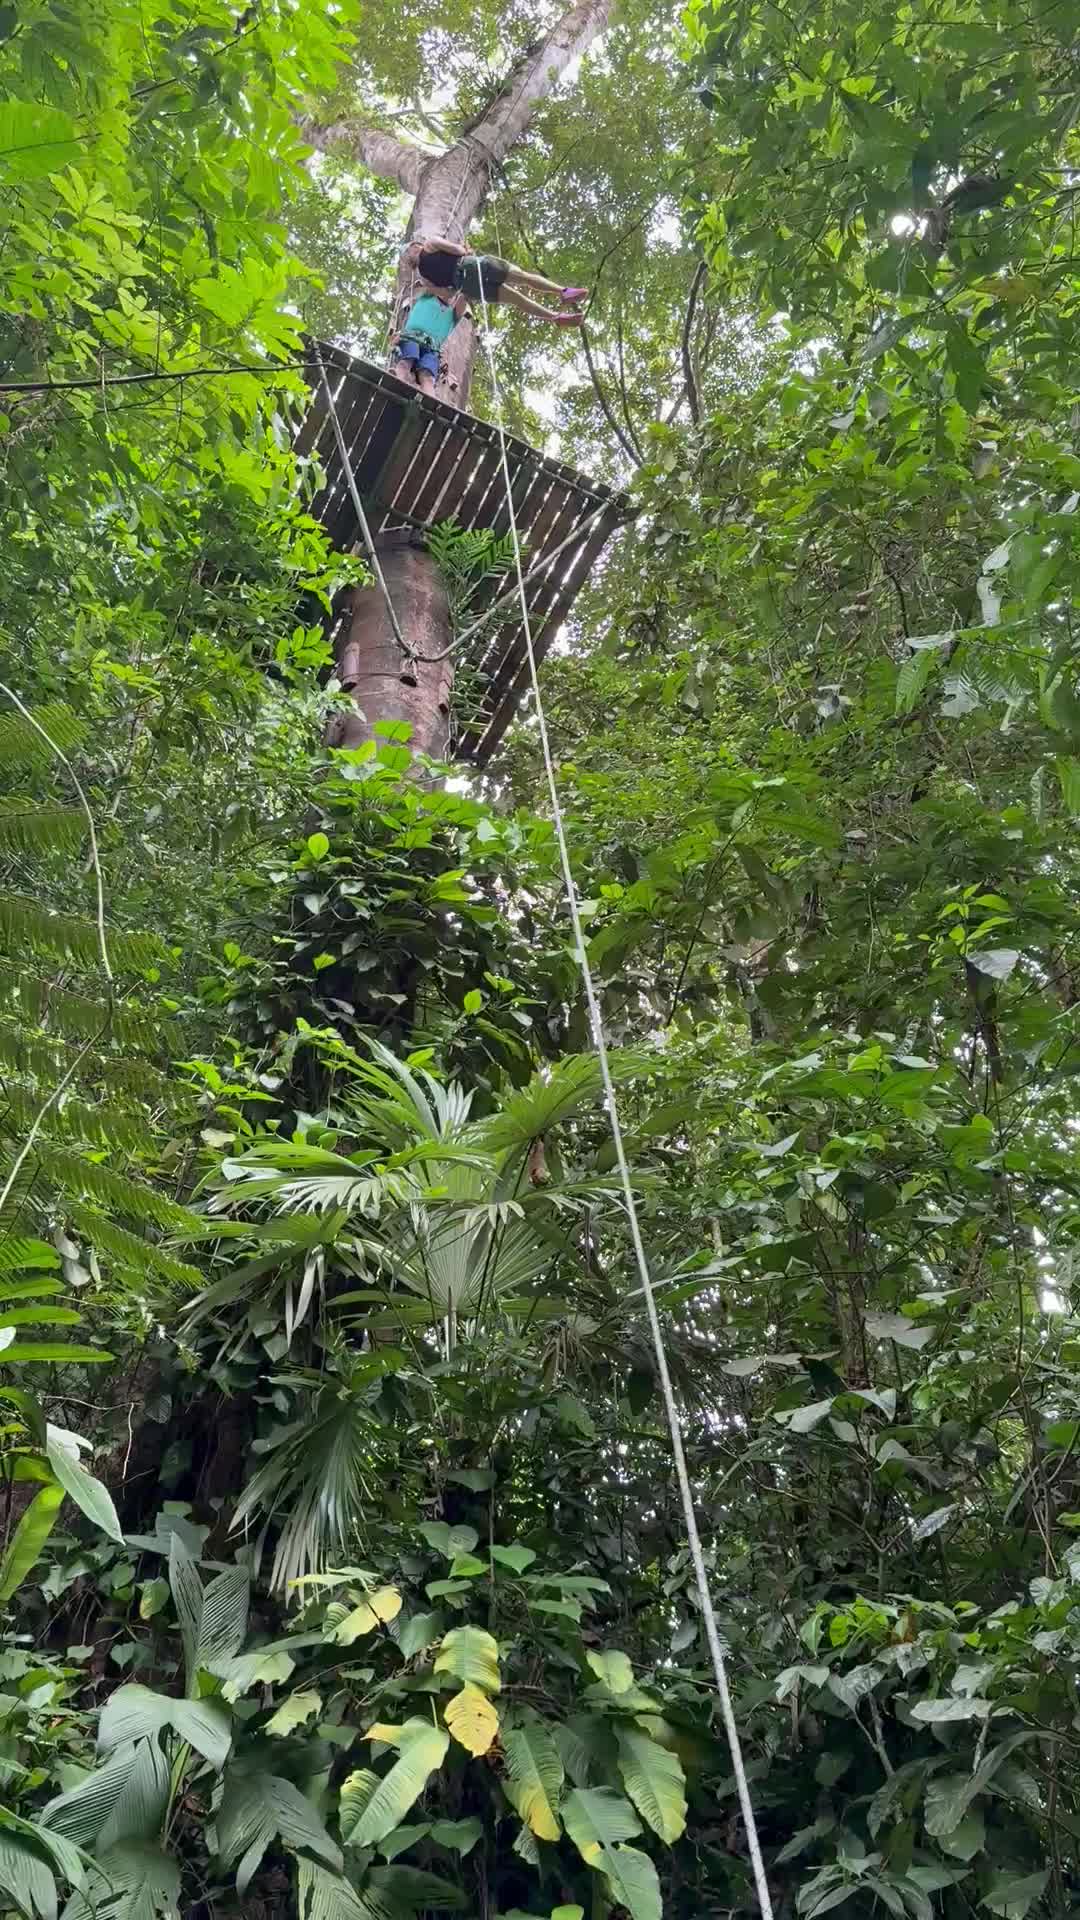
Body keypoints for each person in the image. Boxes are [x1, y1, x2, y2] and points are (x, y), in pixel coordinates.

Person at [401, 234, 587, 327]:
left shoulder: (425, 279)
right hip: (473, 267)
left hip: (468, 287)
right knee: (523, 278)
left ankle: (556, 316)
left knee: (517, 298)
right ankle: (562, 294)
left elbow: (448, 294)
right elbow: (458, 251)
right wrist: (464, 249)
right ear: (416, 246)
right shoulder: (430, 244)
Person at [392, 284, 468, 395]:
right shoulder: (428, 295)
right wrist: (447, 284)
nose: (450, 292)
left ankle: (429, 399)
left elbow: (464, 299)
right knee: (406, 362)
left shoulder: (453, 315)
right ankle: (396, 381)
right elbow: (430, 285)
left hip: (432, 349)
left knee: (427, 378)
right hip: (412, 337)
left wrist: (465, 286)